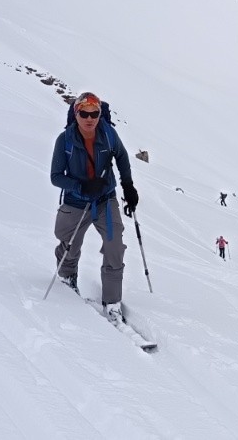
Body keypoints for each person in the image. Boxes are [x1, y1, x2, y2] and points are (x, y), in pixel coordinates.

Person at [49, 92, 138, 321]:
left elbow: (122, 156)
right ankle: (68, 276)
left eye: (95, 113)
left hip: (104, 200)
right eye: (84, 113)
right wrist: (80, 186)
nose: (90, 118)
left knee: (114, 244)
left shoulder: (108, 134)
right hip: (76, 201)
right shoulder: (65, 140)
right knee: (69, 243)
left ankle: (112, 301)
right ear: (76, 114)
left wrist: (128, 187)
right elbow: (56, 176)